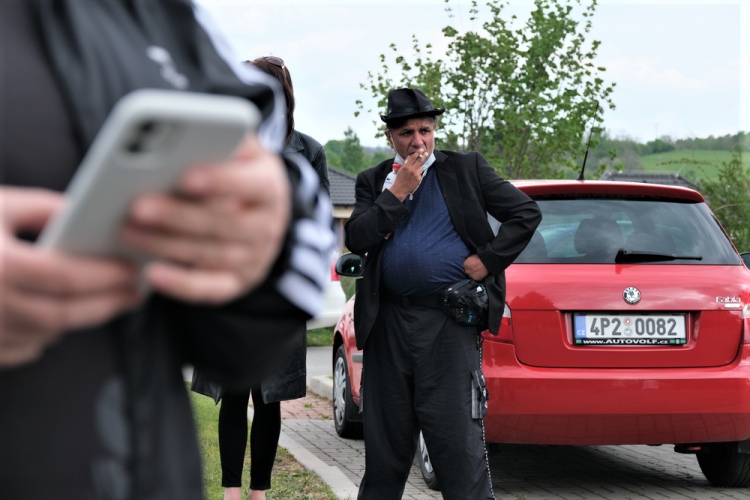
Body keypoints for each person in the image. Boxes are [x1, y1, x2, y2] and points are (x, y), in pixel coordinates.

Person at [0, 1, 333, 499]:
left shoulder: (162, 17)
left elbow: (298, 245)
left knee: (265, 401)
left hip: (150, 467)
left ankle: (255, 489)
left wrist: (266, 240)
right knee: (233, 404)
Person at [345, 88, 542, 499]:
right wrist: (397, 191)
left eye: (425, 130)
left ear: (434, 129)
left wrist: (488, 259)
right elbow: (357, 237)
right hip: (388, 328)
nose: (418, 141)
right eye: (406, 133)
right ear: (390, 136)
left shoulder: (465, 169)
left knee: (458, 450)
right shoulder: (374, 180)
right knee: (385, 453)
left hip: (448, 326)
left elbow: (525, 213)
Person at [195, 55, 330, 500]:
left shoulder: (308, 151)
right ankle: (232, 490)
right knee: (234, 390)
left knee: (268, 395)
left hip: (279, 290)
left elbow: (321, 223)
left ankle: (260, 491)